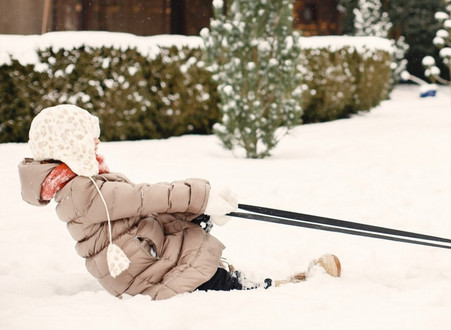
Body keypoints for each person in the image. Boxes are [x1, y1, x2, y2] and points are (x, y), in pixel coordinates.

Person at [18, 104, 341, 300]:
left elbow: (140, 210)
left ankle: (233, 276)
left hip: (141, 259)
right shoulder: (82, 191)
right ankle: (277, 290)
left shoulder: (77, 187)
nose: (97, 142)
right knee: (210, 280)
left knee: (186, 228)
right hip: (147, 273)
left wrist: (196, 207)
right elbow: (143, 197)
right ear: (68, 145)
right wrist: (199, 195)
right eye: (89, 138)